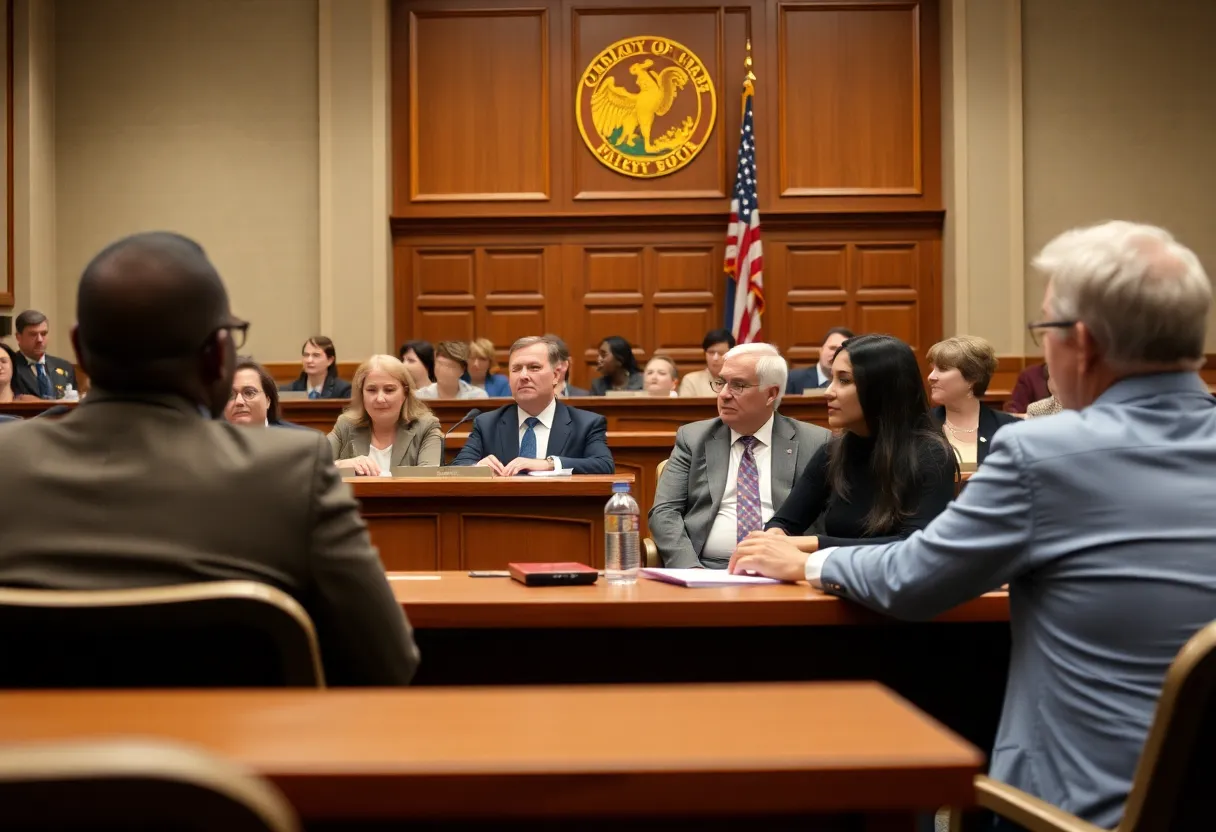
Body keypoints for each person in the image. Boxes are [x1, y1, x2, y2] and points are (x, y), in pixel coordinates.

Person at [730, 221, 1216, 831]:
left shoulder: (1042, 455)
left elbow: (915, 578)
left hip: (1069, 816)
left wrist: (809, 562)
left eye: (1044, 332)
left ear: (1082, 343)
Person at [0, 231, 419, 686]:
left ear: (78, 348)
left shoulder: (7, 462)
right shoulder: (292, 472)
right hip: (236, 734)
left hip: (31, 734)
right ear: (220, 355)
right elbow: (387, 662)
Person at [754, 334, 957, 550]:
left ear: (881, 389)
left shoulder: (932, 455)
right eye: (831, 379)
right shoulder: (832, 452)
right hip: (826, 570)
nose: (828, 392)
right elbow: (785, 522)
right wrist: (773, 536)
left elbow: (914, 545)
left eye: (844, 380)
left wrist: (815, 543)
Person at [650, 344, 831, 569]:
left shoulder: (815, 442)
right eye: (721, 382)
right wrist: (691, 569)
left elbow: (829, 520)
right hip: (705, 567)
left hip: (784, 569)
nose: (724, 394)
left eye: (738, 385)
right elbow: (665, 512)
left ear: (771, 394)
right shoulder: (693, 438)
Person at [452, 336, 613, 475]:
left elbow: (604, 465)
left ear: (555, 376)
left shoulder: (586, 424)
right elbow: (458, 467)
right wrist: (476, 468)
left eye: (534, 368)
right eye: (516, 369)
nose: (523, 376)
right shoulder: (487, 424)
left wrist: (549, 464)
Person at [328, 355, 443, 475]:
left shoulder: (426, 427)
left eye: (389, 390)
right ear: (362, 393)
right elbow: (317, 464)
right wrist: (340, 465)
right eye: (371, 390)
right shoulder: (346, 425)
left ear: (405, 392)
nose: (380, 399)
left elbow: (428, 477)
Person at [926, 335, 1019, 468]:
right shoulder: (919, 426)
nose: (931, 377)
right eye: (932, 369)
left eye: (943, 369)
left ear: (972, 378)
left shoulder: (1009, 428)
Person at [8, 310, 79, 400]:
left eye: (43, 334)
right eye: (33, 334)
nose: (40, 340)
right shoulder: (9, 368)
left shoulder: (64, 366)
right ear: (18, 337)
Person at [224, 358, 304, 429]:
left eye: (249, 393)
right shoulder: (217, 439)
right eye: (230, 395)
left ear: (267, 400)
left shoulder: (299, 439)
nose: (239, 401)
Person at [786, 327, 853, 394]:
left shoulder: (854, 382)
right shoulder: (793, 379)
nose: (835, 354)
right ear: (821, 350)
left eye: (841, 350)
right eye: (832, 348)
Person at [415, 341, 489, 401]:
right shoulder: (420, 396)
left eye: (450, 366)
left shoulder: (477, 396)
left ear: (462, 370)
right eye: (440, 364)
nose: (443, 370)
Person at [285, 336, 352, 399]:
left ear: (330, 360)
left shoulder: (343, 391)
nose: (309, 360)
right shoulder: (288, 390)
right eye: (306, 355)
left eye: (316, 355)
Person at [678, 328, 735, 397]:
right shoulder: (691, 381)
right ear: (705, 354)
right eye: (711, 352)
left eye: (721, 353)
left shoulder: (739, 381)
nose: (715, 358)